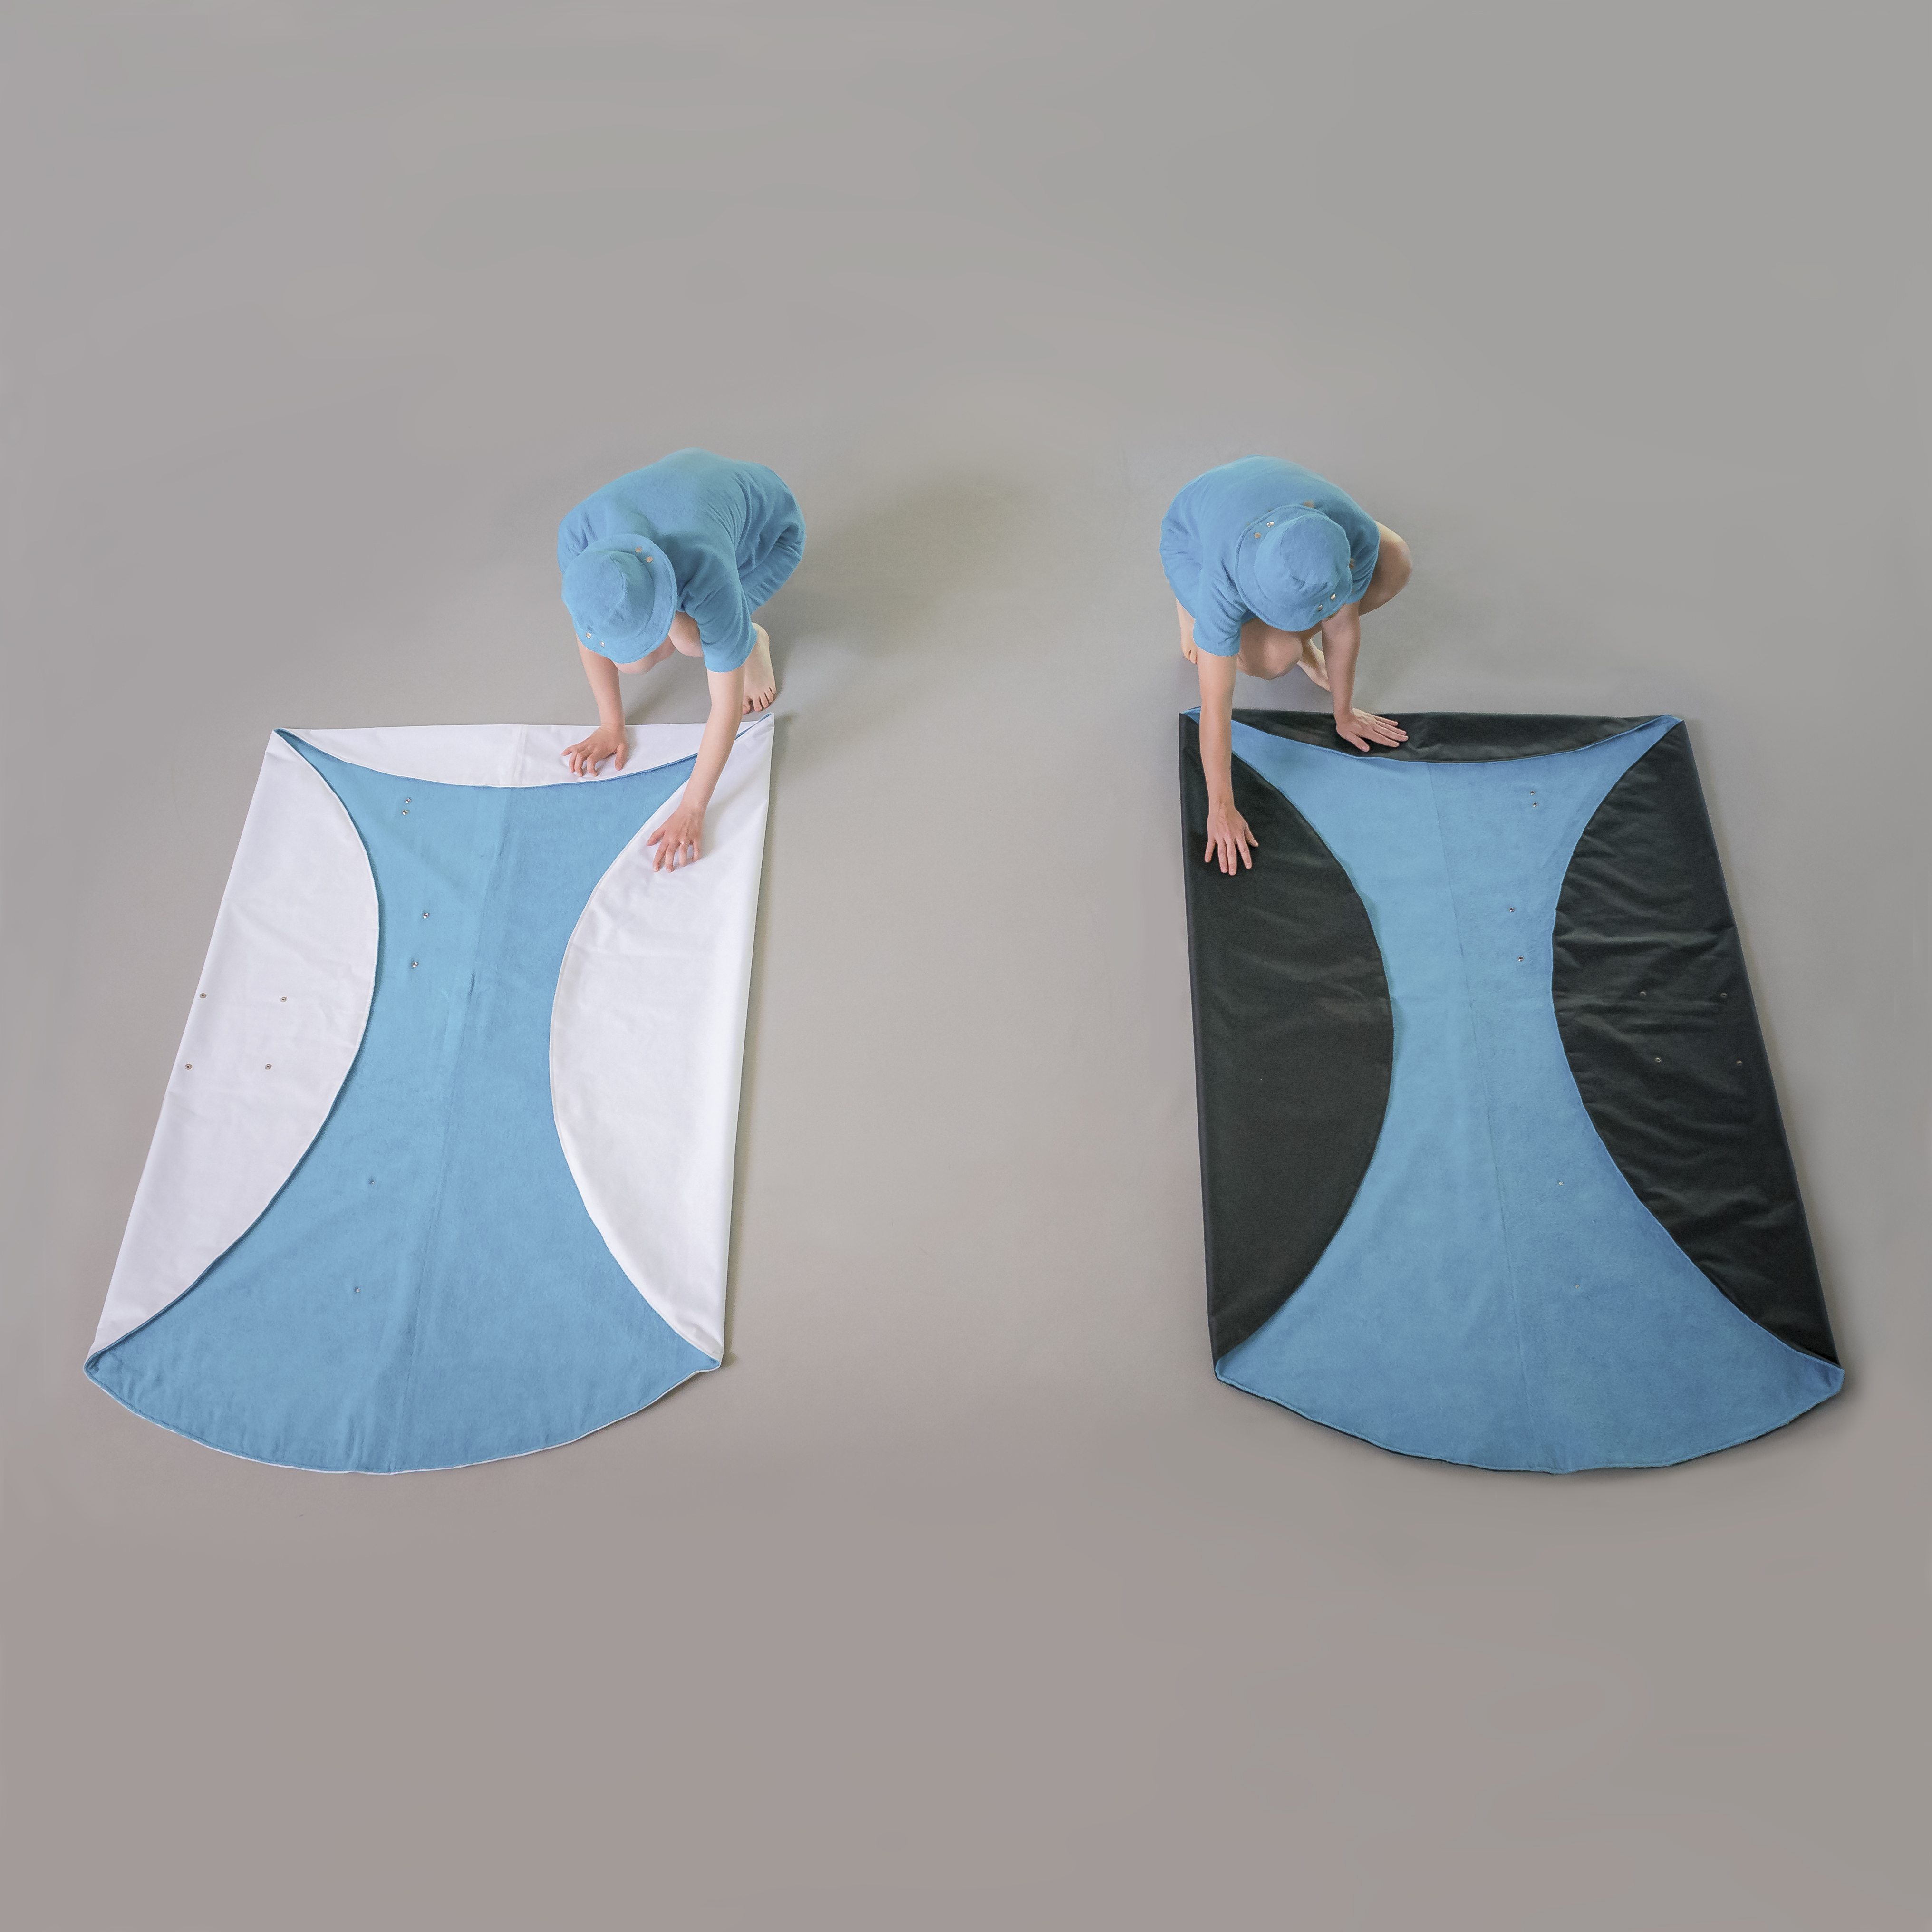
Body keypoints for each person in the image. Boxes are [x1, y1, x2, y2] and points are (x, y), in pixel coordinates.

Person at [1162, 456, 1413, 874]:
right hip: (1194, 540)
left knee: (1396, 561)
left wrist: (1345, 714)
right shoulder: (1224, 578)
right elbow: (1215, 702)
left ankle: (1295, 637)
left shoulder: (1353, 532)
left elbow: (1343, 626)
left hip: (1261, 496)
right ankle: (1190, 610)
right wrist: (1221, 806)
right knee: (1275, 657)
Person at [558, 448, 805, 869]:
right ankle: (721, 637)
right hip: (688, 487)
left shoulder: (707, 570)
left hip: (772, 534)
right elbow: (590, 629)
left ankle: (752, 640)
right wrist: (611, 725)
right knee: (659, 650)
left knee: (694, 641)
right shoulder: (579, 540)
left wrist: (692, 809)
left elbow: (726, 708)